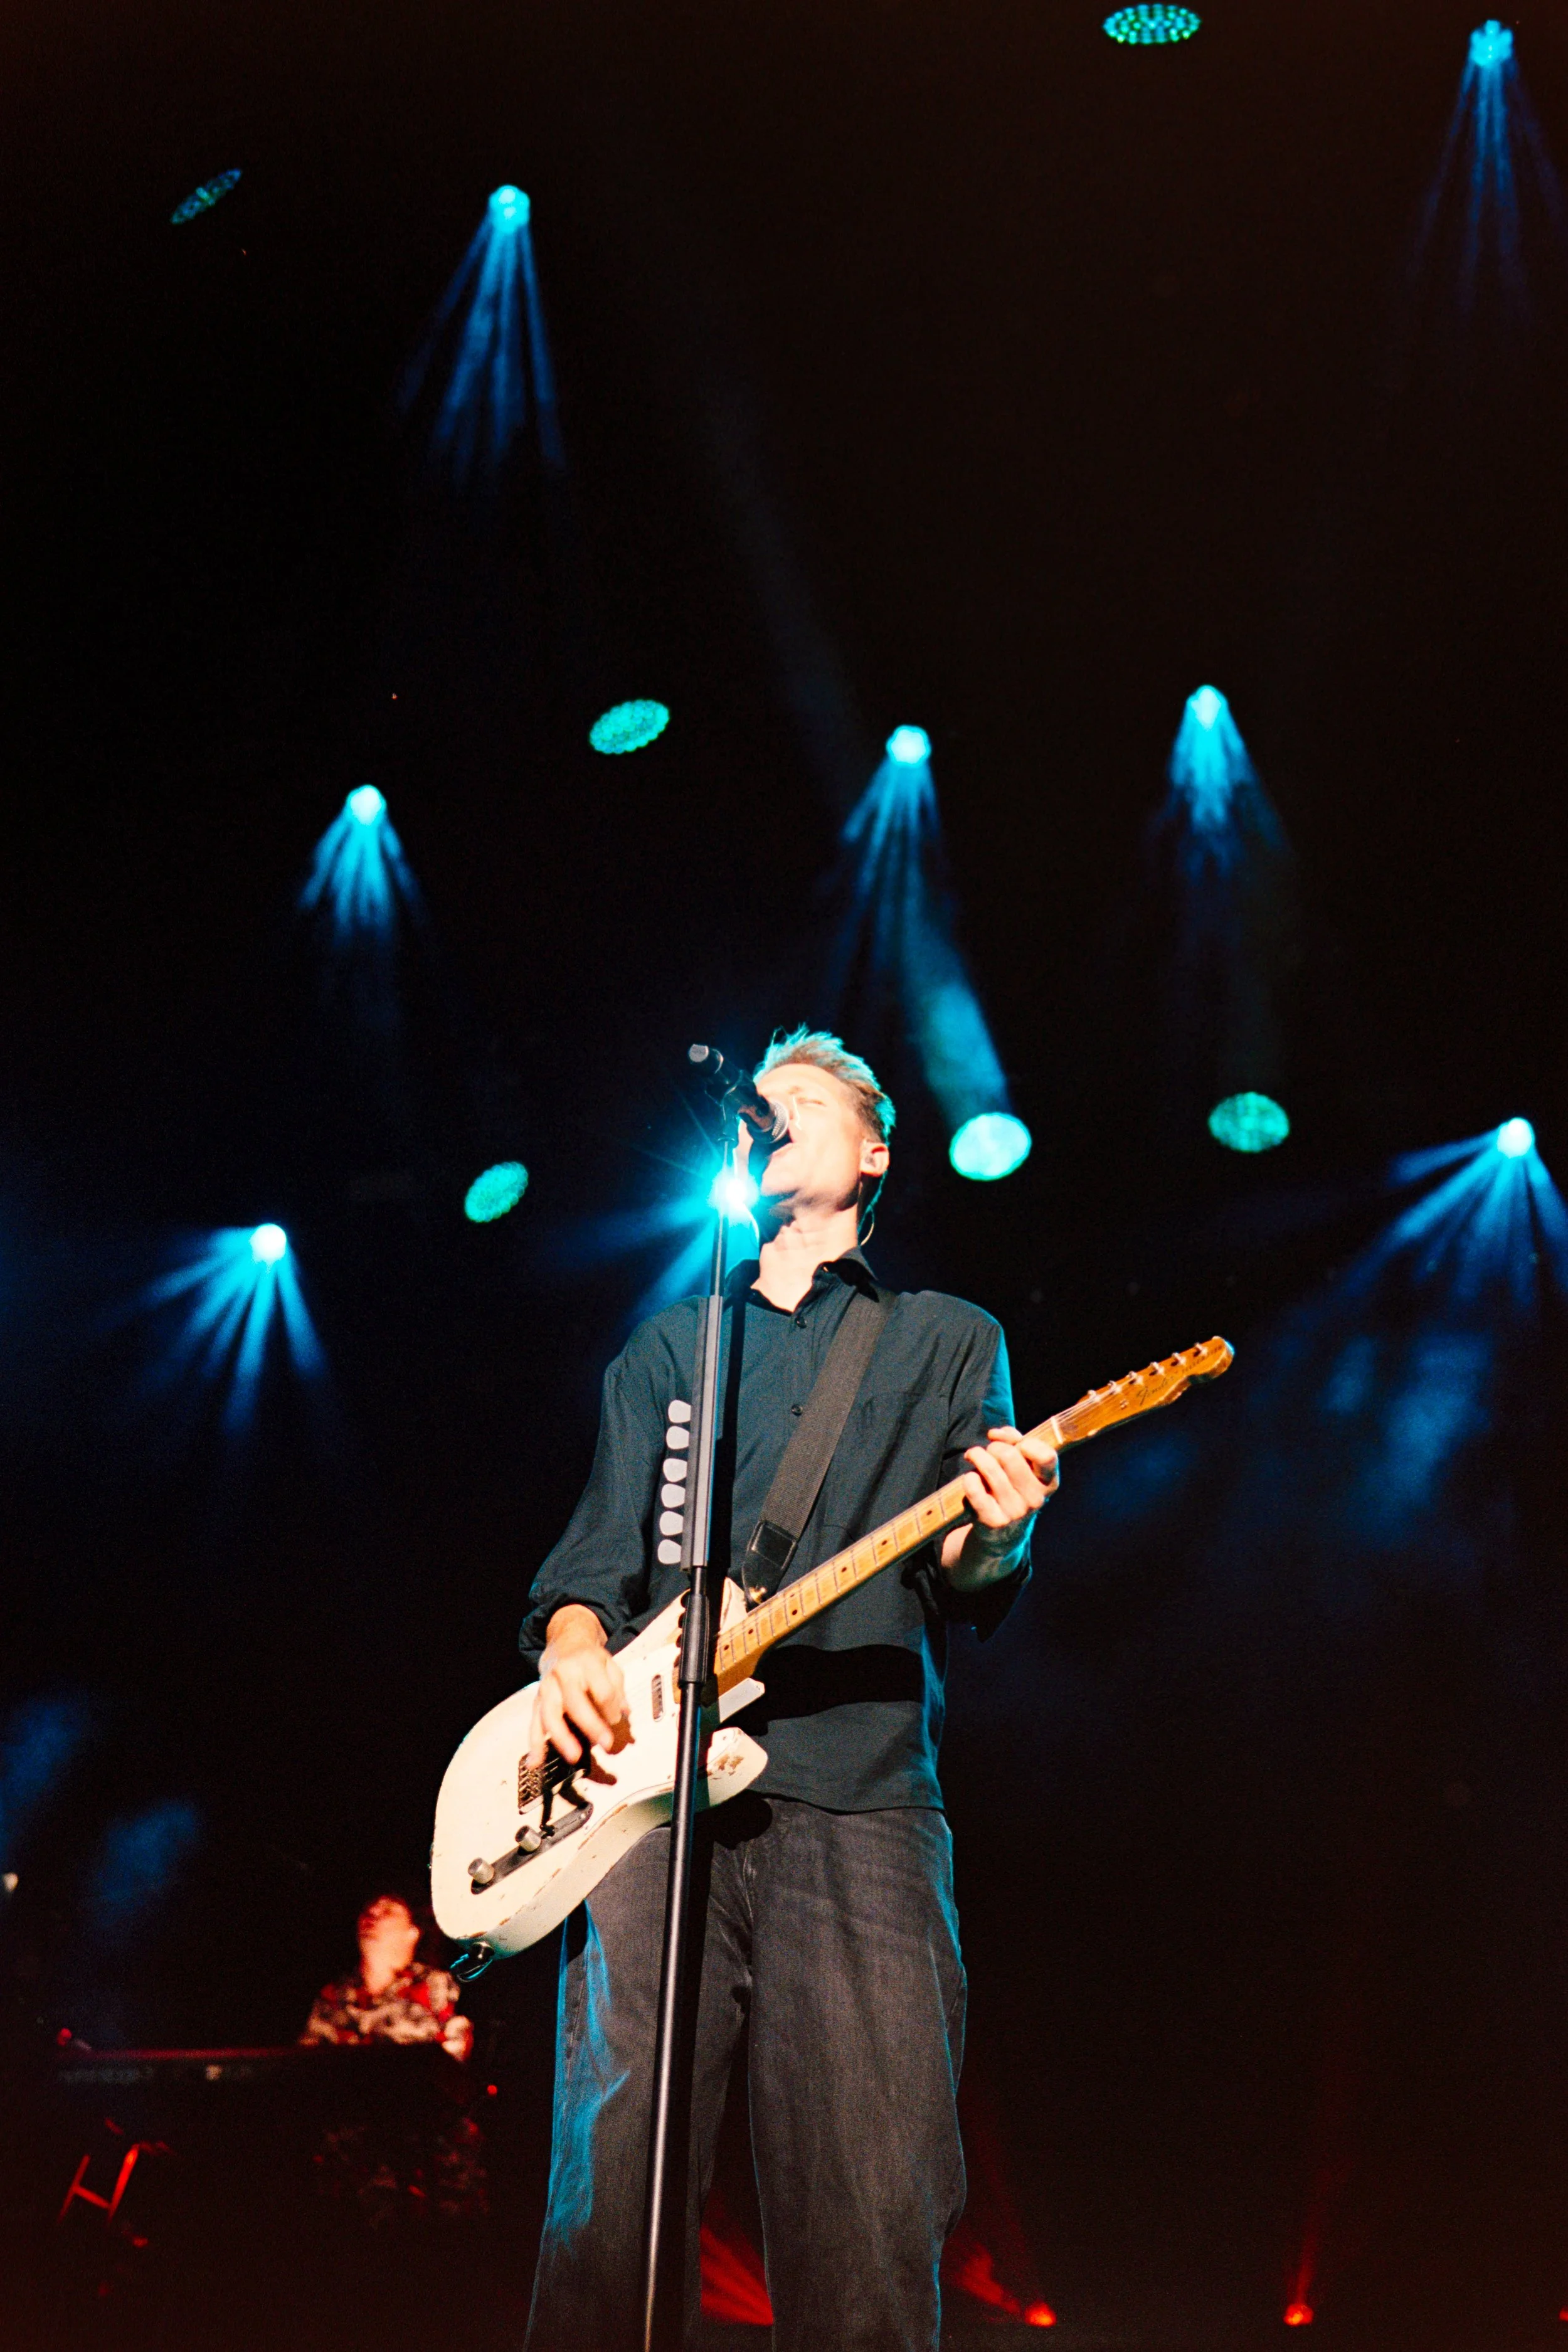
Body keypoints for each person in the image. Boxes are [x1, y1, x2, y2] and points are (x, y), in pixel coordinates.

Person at [518, 1029, 1058, 2352]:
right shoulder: (671, 1346)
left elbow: (967, 1570)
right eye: (762, 1105)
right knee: (607, 2209)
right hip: (650, 1816)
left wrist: (999, 1532)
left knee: (867, 2213)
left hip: (857, 1798)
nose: (773, 1115)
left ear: (873, 1156)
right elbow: (590, 1566)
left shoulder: (947, 1337)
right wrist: (573, 1646)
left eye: (804, 1101)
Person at [301, 1891, 485, 2224]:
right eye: (368, 1910)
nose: (372, 1915)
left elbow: (454, 2074)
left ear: (413, 1932)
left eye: (387, 1911)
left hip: (427, 2173)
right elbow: (304, 2072)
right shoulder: (333, 1997)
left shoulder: (437, 1987)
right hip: (350, 2173)